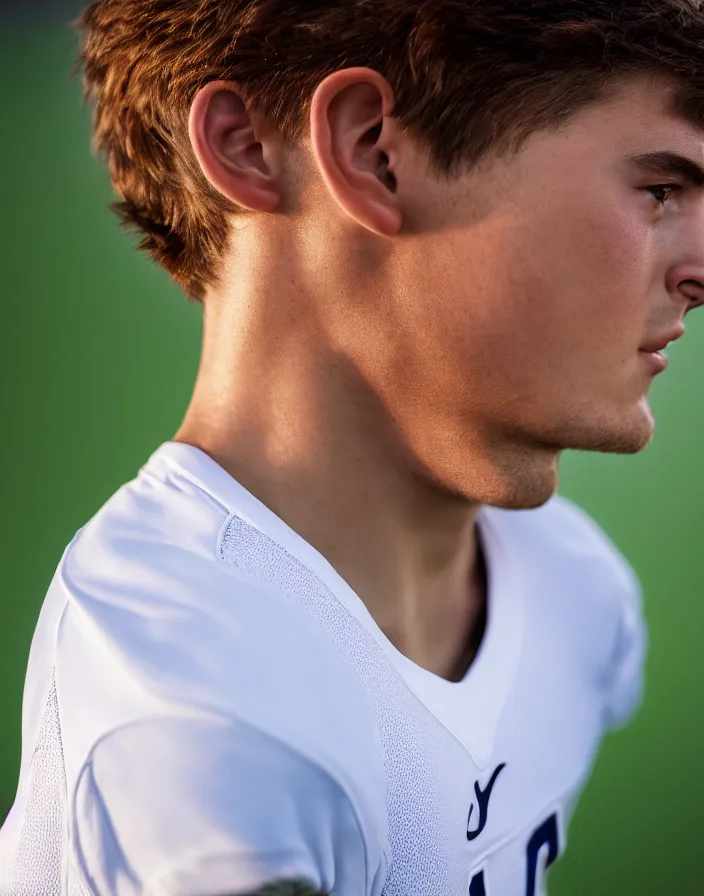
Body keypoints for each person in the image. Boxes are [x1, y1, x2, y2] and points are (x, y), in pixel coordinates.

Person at [2, 0, 704, 894]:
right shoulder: (201, 726)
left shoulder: (578, 595)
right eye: (660, 188)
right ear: (370, 149)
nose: (699, 266)